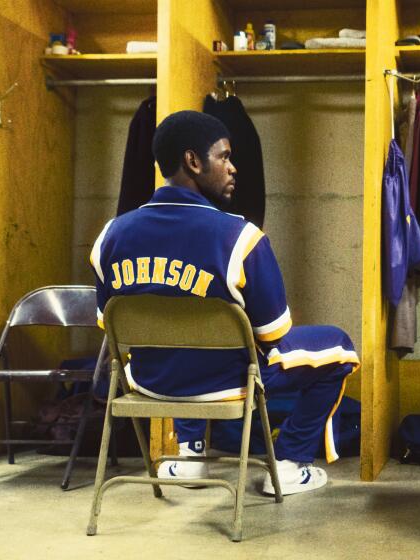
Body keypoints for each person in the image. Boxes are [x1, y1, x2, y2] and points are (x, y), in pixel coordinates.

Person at [89, 110, 359, 495]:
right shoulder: (241, 237)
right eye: (224, 156)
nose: (233, 168)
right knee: (340, 347)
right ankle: (288, 463)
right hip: (228, 384)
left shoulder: (110, 236)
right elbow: (273, 334)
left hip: (148, 383)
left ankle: (191, 456)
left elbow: (109, 324)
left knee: (179, 342)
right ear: (193, 161)